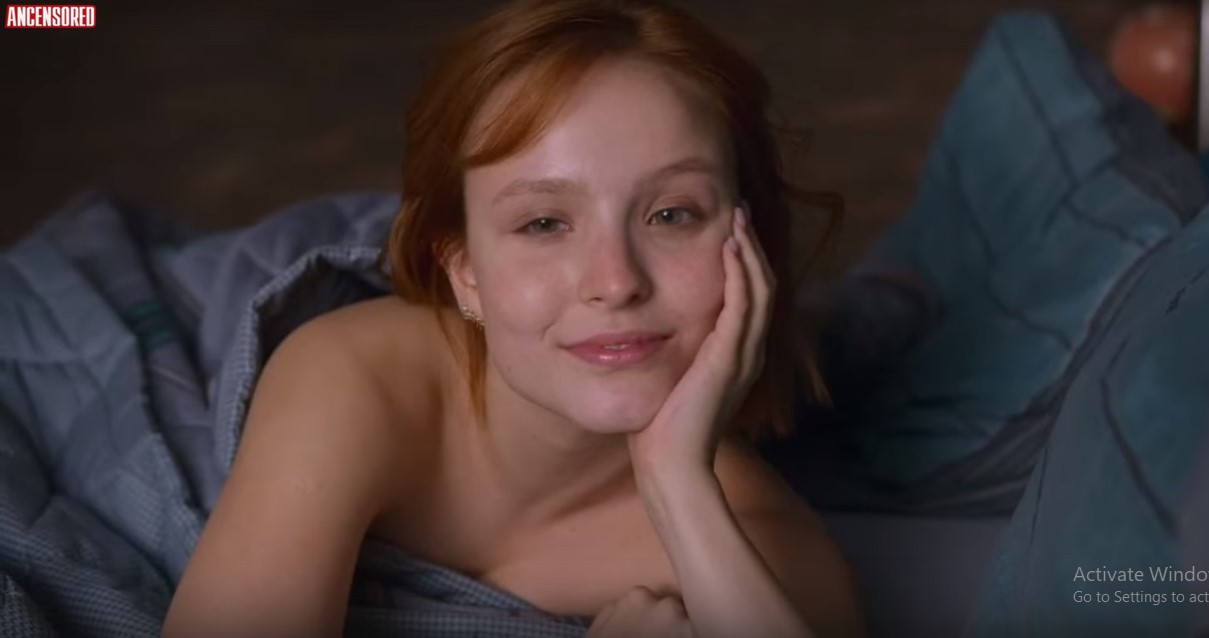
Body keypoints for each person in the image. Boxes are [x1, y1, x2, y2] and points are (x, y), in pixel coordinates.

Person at [163, 0, 866, 636]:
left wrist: (677, 481)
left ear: (749, 245)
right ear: (464, 271)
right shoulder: (351, 383)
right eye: (544, 223)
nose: (615, 282)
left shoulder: (763, 550)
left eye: (671, 214)